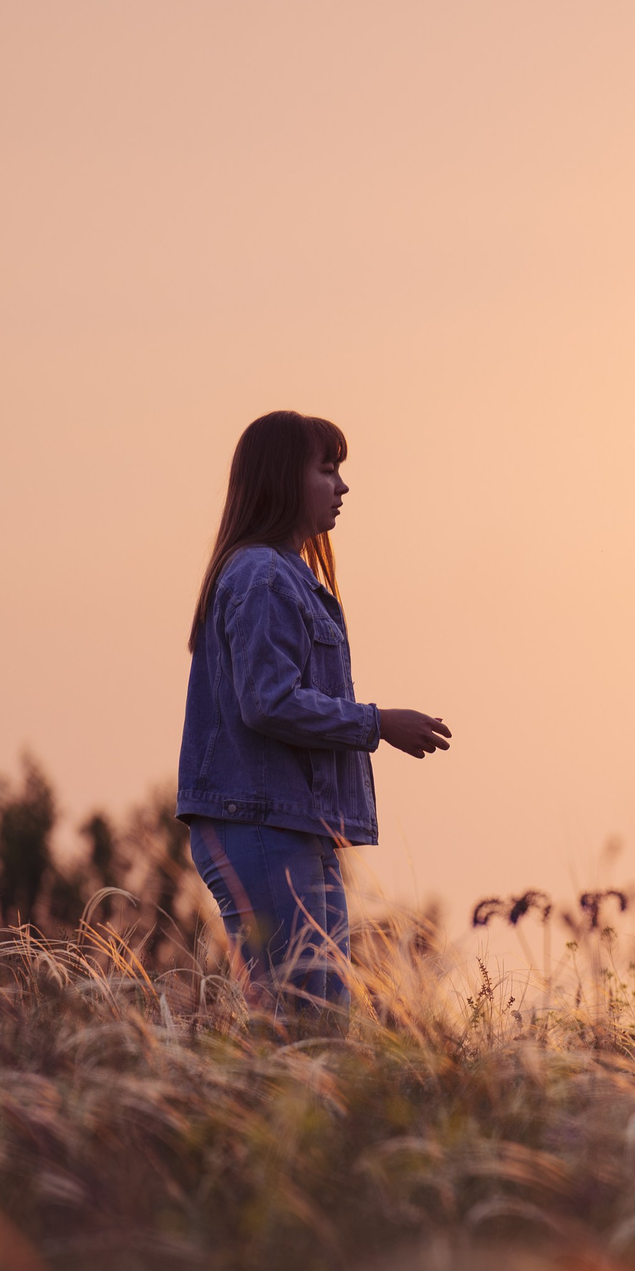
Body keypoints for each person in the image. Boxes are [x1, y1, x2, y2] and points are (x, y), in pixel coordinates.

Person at [176, 411, 449, 1005]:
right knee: (300, 1023)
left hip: (292, 824)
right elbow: (267, 702)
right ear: (282, 480)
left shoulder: (286, 576)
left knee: (320, 1020)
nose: (342, 487)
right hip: (261, 823)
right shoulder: (264, 576)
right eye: (327, 470)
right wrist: (378, 724)